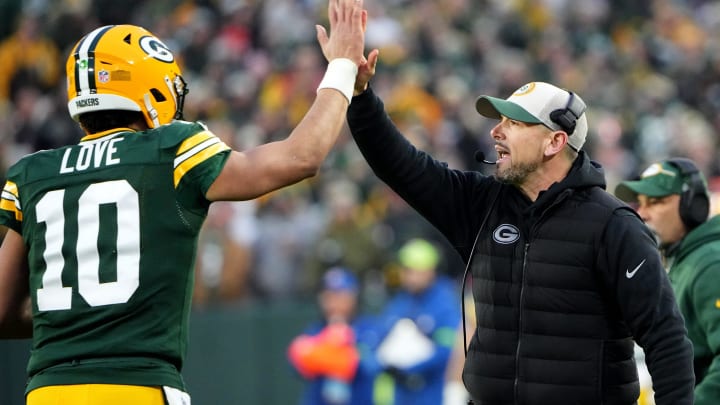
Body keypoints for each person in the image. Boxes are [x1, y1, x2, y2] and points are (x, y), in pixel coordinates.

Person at [0, 0, 367, 403]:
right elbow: (301, 157)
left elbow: (3, 311)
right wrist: (343, 67)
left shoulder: (32, 174)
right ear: (150, 83)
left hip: (47, 392)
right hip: (137, 387)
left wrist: (76, 316)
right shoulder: (170, 150)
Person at [341, 48, 695, 404]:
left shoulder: (614, 226)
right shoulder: (481, 204)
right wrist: (359, 95)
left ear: (555, 141)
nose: (496, 131)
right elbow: (399, 166)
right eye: (500, 121)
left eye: (515, 123)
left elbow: (665, 339)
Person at [615, 158, 720, 404]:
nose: (643, 213)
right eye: (640, 204)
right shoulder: (684, 259)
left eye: (656, 202)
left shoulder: (710, 264)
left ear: (693, 206)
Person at [372, 238, 460, 405]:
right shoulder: (401, 300)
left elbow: (448, 347)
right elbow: (379, 337)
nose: (409, 277)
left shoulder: (444, 301)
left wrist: (410, 367)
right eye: (406, 270)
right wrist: (385, 364)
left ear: (430, 270)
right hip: (400, 394)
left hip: (432, 392)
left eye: (414, 271)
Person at [287, 267, 378, 405]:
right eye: (328, 297)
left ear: (353, 297)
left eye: (340, 296)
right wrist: (329, 347)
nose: (334, 304)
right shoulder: (315, 330)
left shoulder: (368, 329)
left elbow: (369, 366)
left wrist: (333, 353)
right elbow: (296, 364)